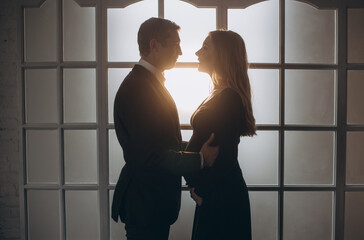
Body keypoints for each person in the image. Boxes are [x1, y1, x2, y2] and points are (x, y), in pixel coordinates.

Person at [111, 17, 219, 240]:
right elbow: (152, 155)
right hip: (145, 204)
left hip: (152, 203)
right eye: (175, 44)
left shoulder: (148, 83)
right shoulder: (138, 88)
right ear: (154, 45)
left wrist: (196, 146)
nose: (180, 52)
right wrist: (199, 158)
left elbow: (161, 142)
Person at [184, 30, 256, 240]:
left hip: (221, 195)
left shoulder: (228, 98)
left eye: (205, 48)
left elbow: (223, 154)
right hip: (213, 193)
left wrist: (201, 192)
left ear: (222, 55)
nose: (197, 53)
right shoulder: (218, 93)